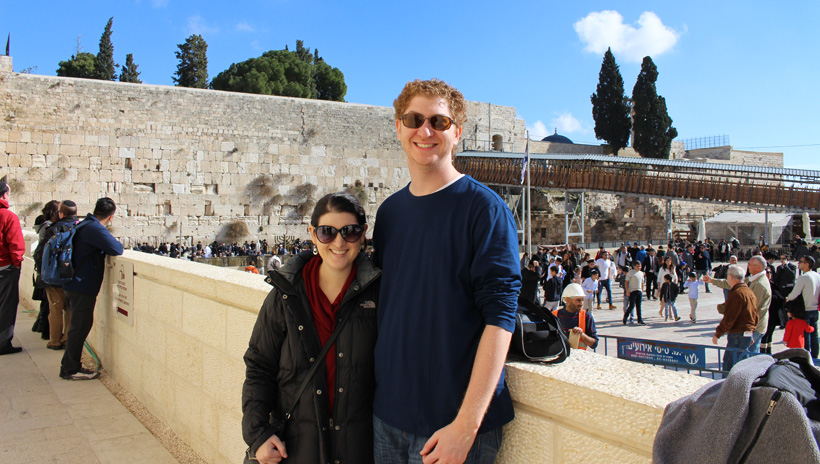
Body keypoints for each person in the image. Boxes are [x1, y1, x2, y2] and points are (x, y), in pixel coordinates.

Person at [372, 79, 521, 463]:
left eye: (439, 122)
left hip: (453, 429)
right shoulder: (389, 214)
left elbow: (500, 319)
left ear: (456, 132)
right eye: (414, 119)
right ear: (398, 127)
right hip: (387, 417)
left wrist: (466, 426)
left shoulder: (486, 211)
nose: (425, 131)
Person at [242, 192, 378, 464]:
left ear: (363, 234)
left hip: (357, 449)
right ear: (313, 235)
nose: (339, 242)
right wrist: (257, 435)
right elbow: (260, 366)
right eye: (327, 232)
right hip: (295, 447)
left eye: (349, 232)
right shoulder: (285, 295)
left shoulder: (379, 295)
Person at [59, 198, 124, 380]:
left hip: (74, 284)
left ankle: (69, 366)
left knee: (77, 327)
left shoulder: (85, 224)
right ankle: (70, 369)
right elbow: (117, 248)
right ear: (110, 217)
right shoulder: (95, 229)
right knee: (79, 328)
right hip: (82, 286)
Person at [705, 255, 771, 353]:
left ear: (757, 267)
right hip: (751, 327)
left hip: (754, 327)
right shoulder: (753, 279)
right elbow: (733, 282)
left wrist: (727, 308)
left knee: (747, 356)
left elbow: (753, 310)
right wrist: (712, 280)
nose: (748, 266)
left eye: (750, 264)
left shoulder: (760, 284)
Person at [40, 200, 80, 350]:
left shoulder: (52, 229)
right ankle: (67, 339)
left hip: (54, 275)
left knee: (55, 310)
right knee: (69, 309)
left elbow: (41, 252)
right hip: (71, 274)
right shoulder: (80, 229)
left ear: (61, 213)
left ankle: (54, 341)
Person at [712, 265, 758, 373]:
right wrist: (751, 331)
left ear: (731, 277)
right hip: (746, 332)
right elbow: (755, 314)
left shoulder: (738, 293)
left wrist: (718, 333)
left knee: (730, 363)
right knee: (742, 361)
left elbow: (730, 317)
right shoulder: (749, 291)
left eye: (727, 275)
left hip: (737, 333)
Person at [0, 182, 25, 355]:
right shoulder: (8, 216)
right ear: (4, 195)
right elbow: (16, 244)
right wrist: (17, 264)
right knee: (6, 307)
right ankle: (2, 344)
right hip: (5, 268)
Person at [786, 256, 820, 358]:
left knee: (805, 336)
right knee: (814, 334)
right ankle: (815, 356)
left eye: (801, 262)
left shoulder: (804, 277)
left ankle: (806, 356)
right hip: (815, 308)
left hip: (804, 309)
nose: (798, 263)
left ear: (807, 264)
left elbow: (794, 294)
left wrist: (788, 298)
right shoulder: (817, 275)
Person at [553, 283, 598, 350]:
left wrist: (582, 334)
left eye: (582, 300)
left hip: (578, 358)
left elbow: (594, 344)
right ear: (568, 300)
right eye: (578, 300)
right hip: (558, 357)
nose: (581, 303)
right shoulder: (554, 316)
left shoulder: (586, 317)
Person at [623, 261, 645, 325]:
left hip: (639, 290)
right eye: (637, 266)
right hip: (632, 291)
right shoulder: (630, 273)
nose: (639, 267)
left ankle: (639, 319)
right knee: (632, 305)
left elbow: (642, 282)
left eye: (640, 266)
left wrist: (642, 290)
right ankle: (626, 316)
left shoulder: (641, 273)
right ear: (634, 266)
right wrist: (627, 291)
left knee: (639, 306)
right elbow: (626, 282)